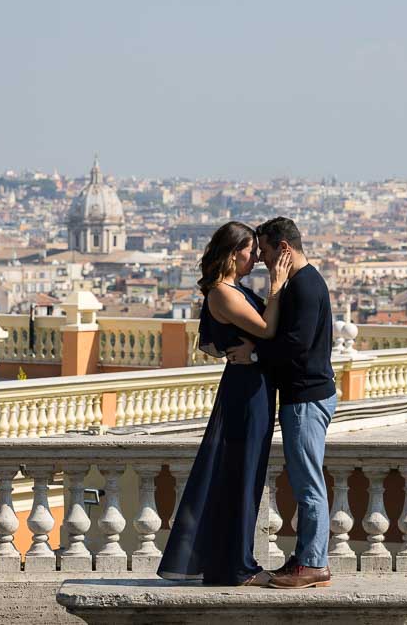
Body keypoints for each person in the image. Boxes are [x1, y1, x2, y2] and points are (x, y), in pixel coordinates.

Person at [158, 221, 292, 586]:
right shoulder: (222, 293)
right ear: (234, 254)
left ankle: (233, 562)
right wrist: (277, 287)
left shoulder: (235, 288)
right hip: (245, 393)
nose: (256, 259)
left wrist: (254, 354)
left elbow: (257, 338)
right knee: (240, 474)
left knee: (246, 474)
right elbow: (266, 329)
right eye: (250, 252)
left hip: (253, 386)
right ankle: (235, 566)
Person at [227, 216, 336, 589]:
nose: (261, 259)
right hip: (305, 396)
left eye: (266, 251)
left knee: (308, 485)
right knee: (306, 481)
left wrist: (254, 354)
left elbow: (295, 345)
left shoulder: (304, 287)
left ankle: (313, 563)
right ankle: (307, 557)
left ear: (284, 250)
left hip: (306, 398)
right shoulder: (301, 283)